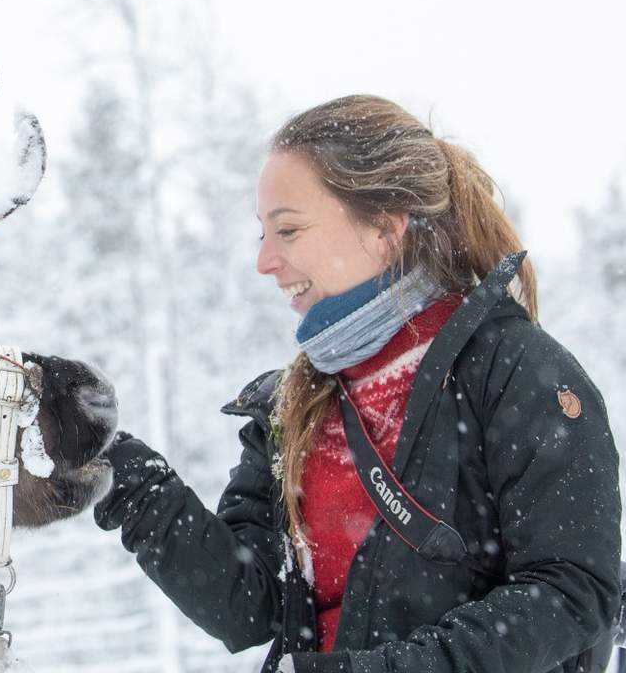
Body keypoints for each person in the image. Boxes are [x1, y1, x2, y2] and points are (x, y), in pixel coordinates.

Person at [95, 94, 621, 673]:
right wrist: (117, 473)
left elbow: (573, 595)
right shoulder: (292, 403)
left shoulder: (519, 374)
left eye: (288, 230)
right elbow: (248, 607)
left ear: (386, 230)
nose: (264, 261)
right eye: (262, 235)